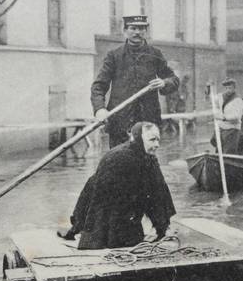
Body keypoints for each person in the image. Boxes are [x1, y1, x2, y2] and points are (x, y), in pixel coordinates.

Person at [58, 122, 176, 250]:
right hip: (108, 210)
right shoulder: (118, 158)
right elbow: (100, 197)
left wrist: (162, 227)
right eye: (152, 140)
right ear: (139, 139)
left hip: (127, 208)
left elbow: (159, 191)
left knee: (156, 185)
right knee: (122, 239)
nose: (157, 145)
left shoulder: (149, 157)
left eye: (158, 140)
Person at [91, 15, 179, 148]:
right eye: (133, 28)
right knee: (119, 163)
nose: (137, 32)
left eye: (141, 28)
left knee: (145, 164)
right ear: (125, 31)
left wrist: (164, 83)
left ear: (146, 31)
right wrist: (100, 109)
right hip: (119, 122)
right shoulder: (114, 56)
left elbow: (173, 79)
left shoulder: (155, 54)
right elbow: (99, 86)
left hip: (148, 123)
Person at [210, 78, 243, 154]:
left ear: (234, 88)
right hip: (221, 129)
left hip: (232, 130)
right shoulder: (221, 96)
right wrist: (209, 89)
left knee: (229, 152)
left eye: (230, 88)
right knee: (219, 151)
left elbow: (236, 118)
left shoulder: (238, 100)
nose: (228, 90)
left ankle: (228, 165)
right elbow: (211, 99)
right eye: (226, 88)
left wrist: (223, 118)